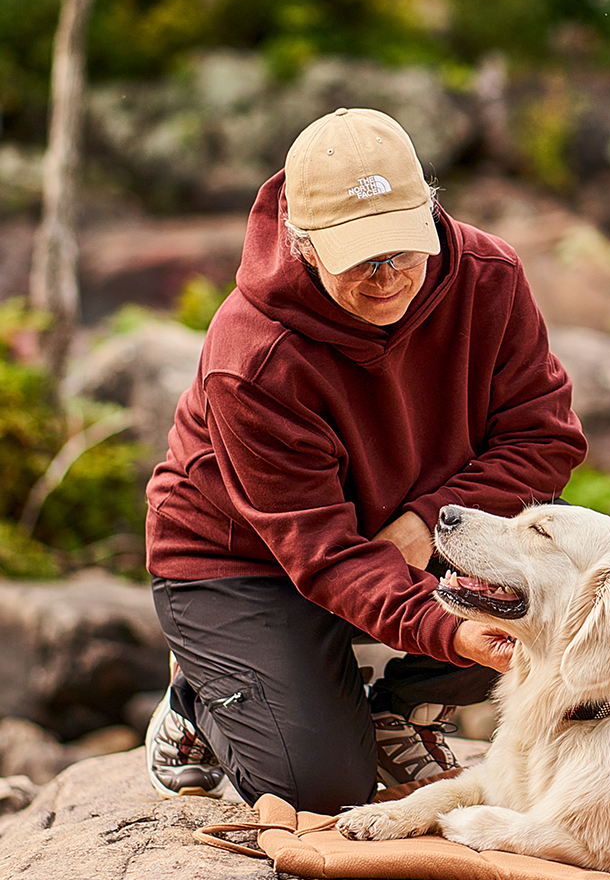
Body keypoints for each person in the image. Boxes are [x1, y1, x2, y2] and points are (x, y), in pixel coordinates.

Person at [143, 106, 587, 814]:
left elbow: (544, 439)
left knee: (557, 562)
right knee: (319, 788)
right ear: (305, 244)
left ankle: (398, 712)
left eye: (401, 248)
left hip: (401, 528)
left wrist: (419, 529)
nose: (386, 276)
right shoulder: (252, 356)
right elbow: (323, 557)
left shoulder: (488, 276)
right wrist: (452, 630)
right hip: (247, 562)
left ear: (430, 212)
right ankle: (198, 696)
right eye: (360, 257)